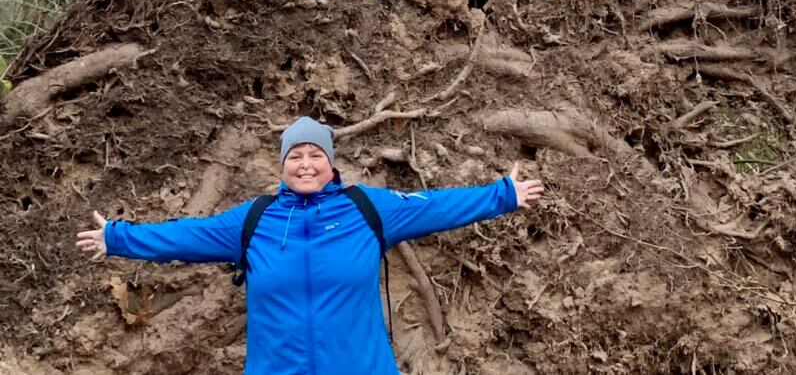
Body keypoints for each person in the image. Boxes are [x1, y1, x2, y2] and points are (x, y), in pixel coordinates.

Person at [76, 116, 544, 374]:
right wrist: (118, 237)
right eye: (295, 155)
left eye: (315, 154)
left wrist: (503, 194)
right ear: (281, 164)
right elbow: (185, 235)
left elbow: (437, 207)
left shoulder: (367, 208)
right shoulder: (254, 219)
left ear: (331, 163)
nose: (305, 164)